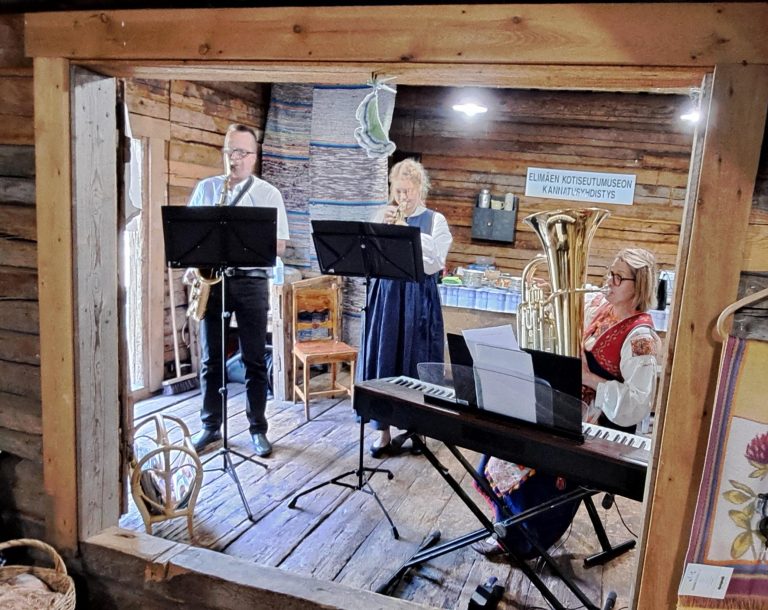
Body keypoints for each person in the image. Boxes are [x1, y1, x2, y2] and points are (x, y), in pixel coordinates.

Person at [471, 247, 662, 557]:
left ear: (639, 285)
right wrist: (548, 293)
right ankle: (506, 525)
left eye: (618, 277)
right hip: (566, 404)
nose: (609, 281)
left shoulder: (641, 338)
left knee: (538, 455)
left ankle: (525, 538)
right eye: (609, 273)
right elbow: (563, 311)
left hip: (599, 423)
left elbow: (636, 405)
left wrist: (589, 378)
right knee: (509, 431)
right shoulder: (599, 303)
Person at [187, 123, 290, 457]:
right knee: (210, 359)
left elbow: (280, 245)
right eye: (230, 151)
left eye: (242, 153)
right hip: (214, 280)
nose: (235, 158)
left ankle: (258, 428)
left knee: (254, 359)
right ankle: (210, 427)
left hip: (251, 281)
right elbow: (189, 236)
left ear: (254, 157)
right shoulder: (207, 189)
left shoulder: (268, 194)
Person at [357, 158, 453, 457]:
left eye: (408, 191)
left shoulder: (435, 221)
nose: (402, 197)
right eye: (398, 191)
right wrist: (379, 228)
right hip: (386, 296)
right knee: (384, 359)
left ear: (420, 188)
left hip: (418, 298)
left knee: (417, 359)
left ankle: (417, 430)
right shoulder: (382, 215)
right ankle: (382, 431)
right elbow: (366, 256)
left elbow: (435, 262)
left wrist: (405, 230)